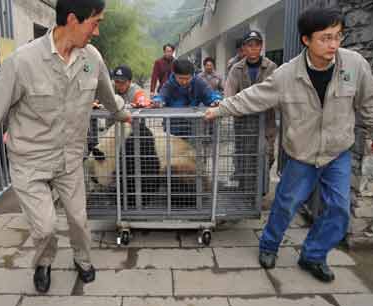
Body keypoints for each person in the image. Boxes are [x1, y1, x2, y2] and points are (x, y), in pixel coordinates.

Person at [0, 0, 131, 293]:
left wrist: (122, 113)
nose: (96, 32)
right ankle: (43, 262)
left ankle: (82, 260)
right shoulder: (22, 62)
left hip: (70, 158)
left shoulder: (91, 58)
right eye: (95, 22)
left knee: (79, 220)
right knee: (44, 226)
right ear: (73, 19)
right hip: (29, 160)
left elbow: (108, 95)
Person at [205, 7, 373, 282]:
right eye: (325, 38)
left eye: (338, 37)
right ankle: (269, 246)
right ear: (306, 40)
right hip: (301, 153)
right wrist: (220, 109)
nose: (334, 44)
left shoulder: (354, 65)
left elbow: (368, 103)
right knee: (285, 204)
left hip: (337, 152)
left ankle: (313, 255)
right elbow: (253, 97)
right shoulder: (286, 74)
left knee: (339, 209)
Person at [225, 30, 278, 192]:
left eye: (257, 45)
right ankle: (246, 191)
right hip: (243, 122)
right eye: (249, 45)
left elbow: (273, 92)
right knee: (243, 156)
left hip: (266, 122)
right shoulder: (236, 69)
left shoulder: (271, 67)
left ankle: (260, 190)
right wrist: (230, 105)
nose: (253, 49)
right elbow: (229, 93)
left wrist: (248, 103)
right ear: (244, 48)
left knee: (266, 154)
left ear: (261, 47)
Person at [153, 58, 222, 136]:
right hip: (173, 127)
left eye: (187, 78)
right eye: (181, 78)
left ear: (192, 75)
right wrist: (158, 101)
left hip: (193, 127)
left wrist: (216, 100)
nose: (184, 82)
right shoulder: (169, 85)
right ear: (174, 74)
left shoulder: (198, 82)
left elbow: (209, 94)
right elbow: (162, 96)